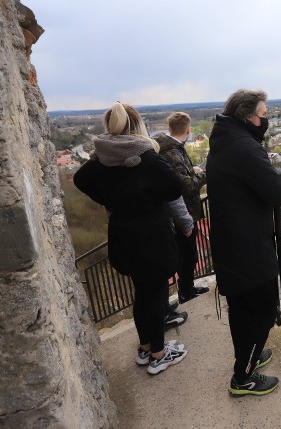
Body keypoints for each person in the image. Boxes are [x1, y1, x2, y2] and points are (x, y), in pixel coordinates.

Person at [74, 102, 188, 375]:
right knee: (155, 293)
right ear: (138, 125)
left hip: (123, 233)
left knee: (142, 293)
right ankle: (159, 354)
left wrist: (109, 198)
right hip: (152, 234)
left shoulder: (101, 157)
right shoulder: (145, 155)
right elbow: (175, 187)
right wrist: (148, 195)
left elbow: (80, 180)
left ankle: (146, 347)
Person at [206, 89, 281, 396]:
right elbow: (277, 191)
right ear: (248, 117)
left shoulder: (225, 140)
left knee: (242, 310)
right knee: (262, 311)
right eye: (263, 115)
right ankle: (243, 378)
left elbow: (254, 181)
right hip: (248, 248)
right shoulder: (244, 148)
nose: (266, 121)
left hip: (233, 244)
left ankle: (249, 355)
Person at [154, 112, 209, 305]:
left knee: (186, 255)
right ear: (188, 130)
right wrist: (204, 174)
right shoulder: (172, 152)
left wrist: (191, 171)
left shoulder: (169, 148)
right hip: (182, 214)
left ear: (169, 128)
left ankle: (188, 288)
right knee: (188, 256)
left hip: (177, 213)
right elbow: (187, 186)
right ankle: (186, 291)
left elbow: (179, 178)